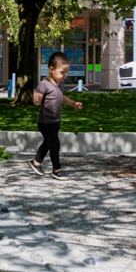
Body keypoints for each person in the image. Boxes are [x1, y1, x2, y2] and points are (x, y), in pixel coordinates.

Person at [29, 52, 83, 181]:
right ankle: (57, 170)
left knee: (48, 143)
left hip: (55, 121)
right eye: (62, 72)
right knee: (54, 144)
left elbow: (61, 97)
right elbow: (38, 98)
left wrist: (73, 104)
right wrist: (36, 100)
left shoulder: (59, 83)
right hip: (46, 122)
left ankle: (36, 162)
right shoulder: (44, 84)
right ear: (51, 69)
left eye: (66, 72)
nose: (64, 75)